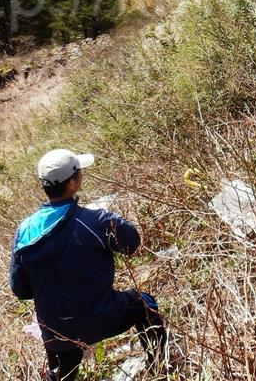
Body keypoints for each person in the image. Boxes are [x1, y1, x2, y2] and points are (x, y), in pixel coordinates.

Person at [9, 149, 167, 381]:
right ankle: (158, 371)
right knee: (145, 306)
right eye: (80, 172)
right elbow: (131, 242)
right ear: (72, 183)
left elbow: (20, 289)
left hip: (56, 332)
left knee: (63, 371)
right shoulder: (94, 222)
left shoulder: (24, 230)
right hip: (102, 316)